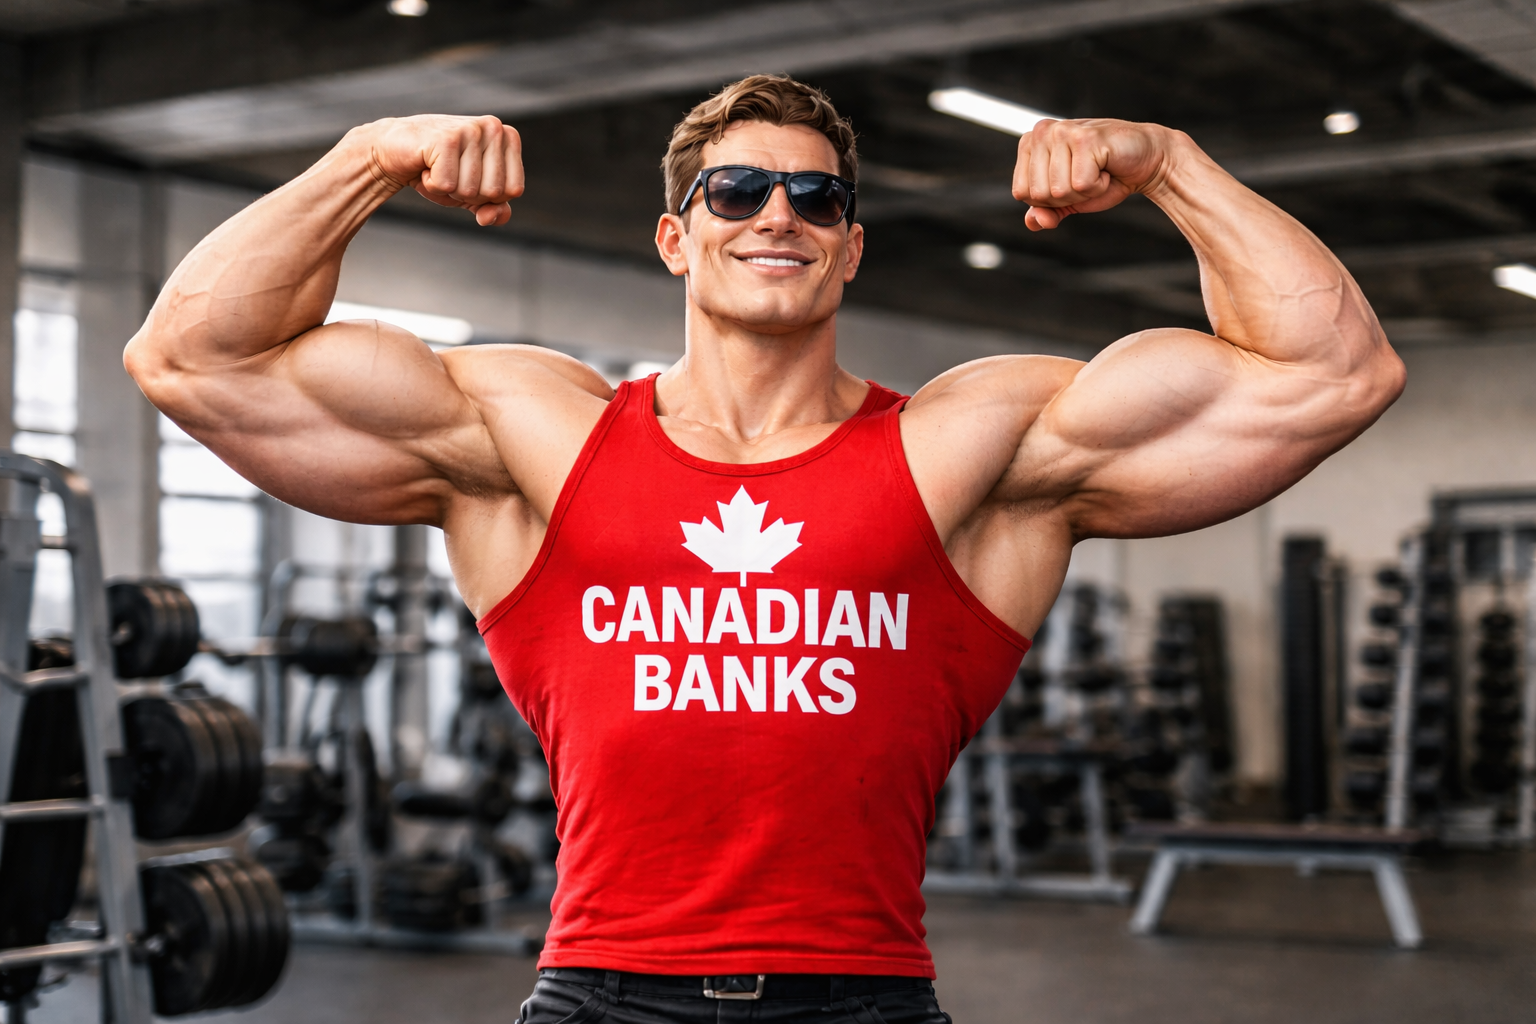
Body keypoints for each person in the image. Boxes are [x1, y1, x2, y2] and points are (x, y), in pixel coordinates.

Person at [126, 74, 1403, 1022]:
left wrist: (1174, 162)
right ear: (679, 237)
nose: (774, 213)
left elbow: (1332, 377)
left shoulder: (977, 451)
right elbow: (189, 358)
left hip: (861, 997)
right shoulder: (530, 434)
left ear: (849, 246)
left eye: (816, 195)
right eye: (733, 191)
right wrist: (365, 158)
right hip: (602, 995)